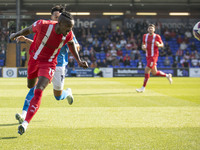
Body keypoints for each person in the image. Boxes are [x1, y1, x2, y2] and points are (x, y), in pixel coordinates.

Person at [10, 11, 88, 135]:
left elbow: (72, 44)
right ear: (59, 22)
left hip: (52, 64)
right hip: (35, 60)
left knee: (39, 90)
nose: (70, 30)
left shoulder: (68, 34)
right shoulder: (42, 25)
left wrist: (79, 60)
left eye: (71, 28)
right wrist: (16, 34)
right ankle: (66, 93)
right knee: (31, 86)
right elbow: (29, 30)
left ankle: (25, 122)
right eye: (68, 27)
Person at [136, 24, 172, 93]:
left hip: (154, 56)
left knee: (146, 70)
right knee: (154, 72)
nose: (150, 29)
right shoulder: (145, 36)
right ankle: (167, 75)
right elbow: (143, 44)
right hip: (147, 56)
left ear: (154, 30)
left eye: (152, 28)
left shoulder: (157, 36)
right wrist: (143, 47)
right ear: (147, 29)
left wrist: (159, 45)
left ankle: (143, 88)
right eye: (149, 28)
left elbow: (162, 44)